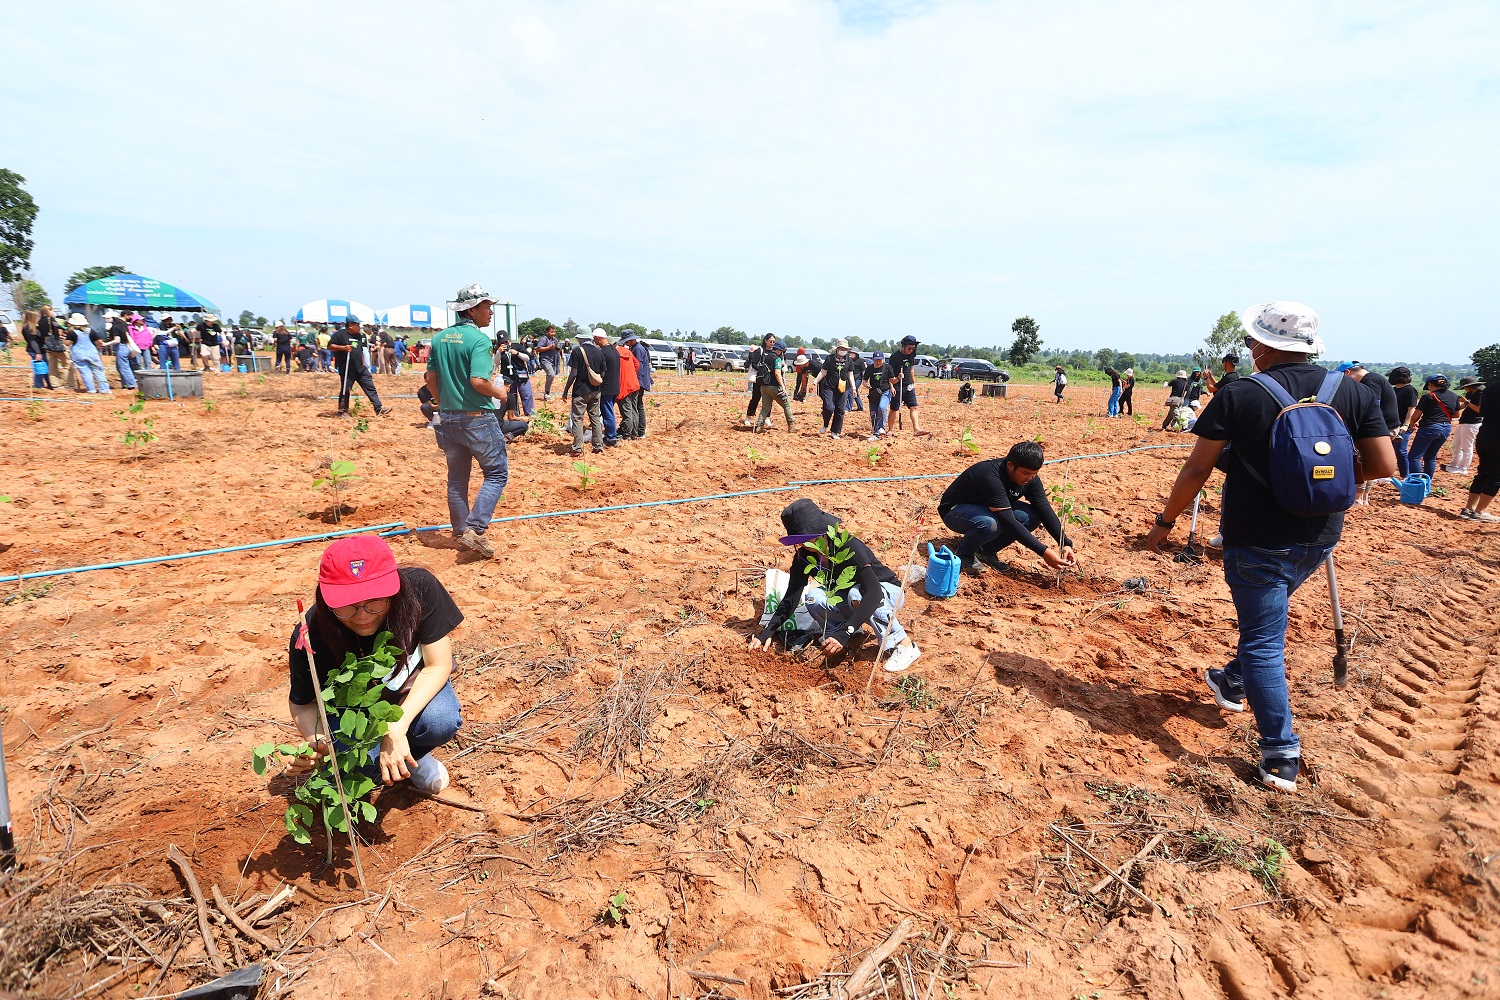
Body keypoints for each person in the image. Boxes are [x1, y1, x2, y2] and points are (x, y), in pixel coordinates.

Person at [1145, 301, 1394, 793]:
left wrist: (1165, 522)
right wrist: (1323, 484)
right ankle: (1234, 680)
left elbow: (1197, 468)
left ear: (1262, 344)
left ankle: (1281, 752)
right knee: (1264, 625)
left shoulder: (1240, 393)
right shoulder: (1352, 390)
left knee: (1262, 642)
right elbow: (1385, 465)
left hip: (1257, 537)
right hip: (1320, 535)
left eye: (1250, 341)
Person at [286, 535, 463, 795]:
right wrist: (319, 744)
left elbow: (438, 664)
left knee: (439, 720)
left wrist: (396, 727)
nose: (362, 616)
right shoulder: (311, 632)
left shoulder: (420, 589)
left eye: (374, 602)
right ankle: (381, 759)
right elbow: (303, 703)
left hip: (407, 695)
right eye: (347, 606)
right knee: (360, 761)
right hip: (354, 717)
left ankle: (413, 756)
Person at [747, 499, 921, 674]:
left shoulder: (849, 547)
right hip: (851, 599)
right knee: (814, 598)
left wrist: (845, 632)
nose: (802, 544)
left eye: (804, 538)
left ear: (820, 531)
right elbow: (791, 597)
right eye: (798, 540)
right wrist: (767, 632)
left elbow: (874, 593)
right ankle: (844, 637)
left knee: (856, 594)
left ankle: (905, 645)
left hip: (885, 593)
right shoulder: (804, 557)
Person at [425, 284, 510, 559]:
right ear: (471, 310)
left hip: (448, 418)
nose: (491, 312)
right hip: (476, 417)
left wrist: (443, 403)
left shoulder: (440, 339)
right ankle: (475, 529)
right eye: (487, 307)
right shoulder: (479, 340)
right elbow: (478, 381)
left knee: (457, 480)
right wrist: (500, 393)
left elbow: (431, 379)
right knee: (496, 473)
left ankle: (461, 531)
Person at [939, 441, 1077, 576]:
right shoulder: (991, 476)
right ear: (1010, 465)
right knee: (990, 524)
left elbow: (1044, 509)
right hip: (955, 510)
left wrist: (1065, 543)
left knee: (1032, 517)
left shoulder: (1030, 479)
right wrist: (1044, 551)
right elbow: (1007, 521)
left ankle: (985, 550)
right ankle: (964, 554)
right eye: (1025, 473)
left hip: (985, 507)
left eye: (1034, 473)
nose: (1029, 478)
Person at [1404, 374, 1459, 480]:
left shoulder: (1428, 396)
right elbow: (1456, 415)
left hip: (1429, 428)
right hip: (1446, 428)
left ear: (1430, 384)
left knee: (1414, 457)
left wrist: (1411, 424)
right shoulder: (1454, 396)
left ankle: (1416, 483)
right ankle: (1426, 483)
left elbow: (1415, 416)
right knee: (1430, 457)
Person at [331, 316, 388, 416]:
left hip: (360, 368)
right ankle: (343, 411)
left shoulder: (359, 336)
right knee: (346, 389)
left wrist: (364, 364)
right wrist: (343, 348)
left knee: (370, 387)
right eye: (357, 325)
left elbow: (360, 351)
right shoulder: (340, 335)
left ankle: (378, 408)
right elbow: (330, 346)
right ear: (350, 325)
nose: (359, 327)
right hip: (347, 368)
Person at [1460, 377, 1500, 521]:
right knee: (1496, 475)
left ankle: (1469, 509)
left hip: (1485, 434)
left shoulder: (1491, 388)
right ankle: (1480, 512)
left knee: (1483, 471)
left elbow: (1482, 412)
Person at [565, 331, 608, 456]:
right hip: (596, 391)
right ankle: (598, 447)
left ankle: (577, 449)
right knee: (595, 418)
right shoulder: (599, 352)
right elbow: (603, 373)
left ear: (580, 339)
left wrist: (566, 390)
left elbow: (573, 373)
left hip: (580, 391)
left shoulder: (577, 351)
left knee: (577, 419)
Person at [887, 335, 930, 436]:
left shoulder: (912, 355)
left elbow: (911, 368)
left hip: (908, 385)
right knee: (894, 409)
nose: (911, 350)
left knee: (914, 407)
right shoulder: (894, 357)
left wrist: (914, 382)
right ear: (903, 346)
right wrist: (891, 386)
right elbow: (889, 374)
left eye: (913, 348)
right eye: (909, 348)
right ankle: (890, 430)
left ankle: (916, 429)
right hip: (897, 385)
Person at [752, 338, 795, 433]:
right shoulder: (777, 359)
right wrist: (783, 387)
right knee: (786, 405)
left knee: (765, 408)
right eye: (782, 351)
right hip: (774, 386)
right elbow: (777, 373)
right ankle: (791, 426)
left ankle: (759, 426)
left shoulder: (766, 356)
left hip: (764, 386)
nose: (782, 353)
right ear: (779, 350)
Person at [65, 313, 112, 394]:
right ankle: (104, 389)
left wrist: (64, 340)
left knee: (85, 373)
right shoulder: (90, 331)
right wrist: (97, 349)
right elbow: (100, 342)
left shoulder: (71, 332)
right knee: (98, 371)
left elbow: (67, 343)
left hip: (78, 354)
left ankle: (91, 390)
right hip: (92, 353)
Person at [1447, 377, 1484, 475]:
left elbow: (1479, 410)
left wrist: (1467, 402)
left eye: (1465, 387)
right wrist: (1455, 409)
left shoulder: (1480, 394)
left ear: (1470, 386)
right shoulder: (1470, 393)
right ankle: (1454, 464)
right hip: (1464, 422)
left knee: (1466, 446)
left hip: (1472, 423)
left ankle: (1463, 467)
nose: (1464, 389)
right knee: (1456, 445)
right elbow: (1465, 405)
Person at [592, 328, 622, 446]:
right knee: (609, 411)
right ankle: (610, 435)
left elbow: (601, 372)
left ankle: (611, 438)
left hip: (606, 387)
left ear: (598, 338)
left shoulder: (603, 352)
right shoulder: (614, 351)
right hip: (615, 386)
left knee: (608, 413)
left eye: (595, 339)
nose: (594, 342)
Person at [819, 340, 854, 439]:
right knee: (829, 408)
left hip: (843, 388)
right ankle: (825, 424)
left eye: (845, 349)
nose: (843, 350)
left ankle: (835, 432)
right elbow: (823, 372)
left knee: (840, 410)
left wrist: (854, 388)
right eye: (841, 348)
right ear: (837, 349)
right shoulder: (829, 359)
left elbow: (850, 375)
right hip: (829, 387)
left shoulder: (849, 360)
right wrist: (815, 382)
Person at [1388, 367, 1418, 478]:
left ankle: (1405, 476)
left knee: (1401, 451)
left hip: (1402, 426)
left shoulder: (1410, 390)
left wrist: (1406, 424)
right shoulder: (1393, 390)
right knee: (1391, 450)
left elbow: (1411, 408)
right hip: (1393, 425)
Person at [614, 333, 643, 440]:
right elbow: (637, 365)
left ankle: (627, 433)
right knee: (634, 410)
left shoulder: (615, 354)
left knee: (626, 411)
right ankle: (634, 433)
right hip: (634, 384)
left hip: (624, 386)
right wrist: (631, 374)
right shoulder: (628, 352)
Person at [105, 311, 138, 390]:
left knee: (123, 367)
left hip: (120, 347)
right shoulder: (123, 325)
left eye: (108, 318)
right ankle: (126, 384)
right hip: (125, 347)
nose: (107, 320)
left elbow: (117, 340)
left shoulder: (115, 327)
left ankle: (131, 384)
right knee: (121, 367)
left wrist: (105, 344)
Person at [629, 331, 653, 437]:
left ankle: (640, 430)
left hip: (639, 381)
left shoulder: (637, 349)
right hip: (641, 380)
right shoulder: (637, 348)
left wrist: (634, 381)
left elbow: (638, 366)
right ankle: (640, 430)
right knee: (638, 405)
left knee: (637, 405)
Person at [21, 311, 53, 390]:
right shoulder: (27, 328)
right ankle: (38, 386)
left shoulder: (36, 327)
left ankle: (48, 384)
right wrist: (38, 353)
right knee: (39, 367)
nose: (38, 318)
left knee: (45, 367)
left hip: (41, 349)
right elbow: (32, 341)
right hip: (34, 350)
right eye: (36, 317)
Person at [864, 351, 892, 439]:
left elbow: (891, 379)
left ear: (883, 359)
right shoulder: (869, 368)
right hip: (874, 393)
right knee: (873, 413)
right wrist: (866, 384)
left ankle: (881, 427)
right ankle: (876, 434)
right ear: (873, 360)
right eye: (876, 360)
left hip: (885, 391)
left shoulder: (887, 367)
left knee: (882, 407)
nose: (878, 362)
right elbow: (864, 380)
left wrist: (895, 383)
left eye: (880, 360)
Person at [39, 304, 69, 387]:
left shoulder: (40, 321)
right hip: (56, 344)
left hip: (47, 345)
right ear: (47, 311)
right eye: (51, 310)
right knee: (67, 363)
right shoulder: (50, 319)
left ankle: (54, 384)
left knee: (52, 365)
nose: (53, 312)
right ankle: (67, 382)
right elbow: (55, 325)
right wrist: (65, 328)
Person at [535, 325, 561, 399]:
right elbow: (538, 349)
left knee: (552, 375)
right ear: (547, 332)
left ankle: (547, 392)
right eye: (551, 332)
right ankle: (547, 393)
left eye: (554, 332)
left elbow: (558, 349)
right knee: (551, 374)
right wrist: (549, 347)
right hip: (545, 360)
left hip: (554, 360)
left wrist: (558, 347)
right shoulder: (544, 339)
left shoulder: (555, 339)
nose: (553, 333)